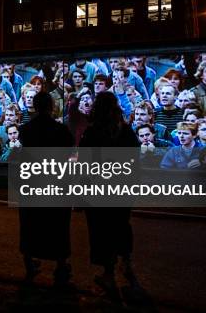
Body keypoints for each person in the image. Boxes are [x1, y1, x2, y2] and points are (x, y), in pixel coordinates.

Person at [79, 92, 140, 294]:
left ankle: (109, 274)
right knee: (121, 225)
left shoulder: (93, 132)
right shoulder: (127, 132)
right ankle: (127, 262)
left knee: (102, 231)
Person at [17, 91, 75, 285]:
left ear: (35, 106)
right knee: (57, 225)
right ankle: (60, 265)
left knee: (30, 224)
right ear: (51, 106)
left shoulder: (26, 129)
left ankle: (29, 263)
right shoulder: (61, 130)